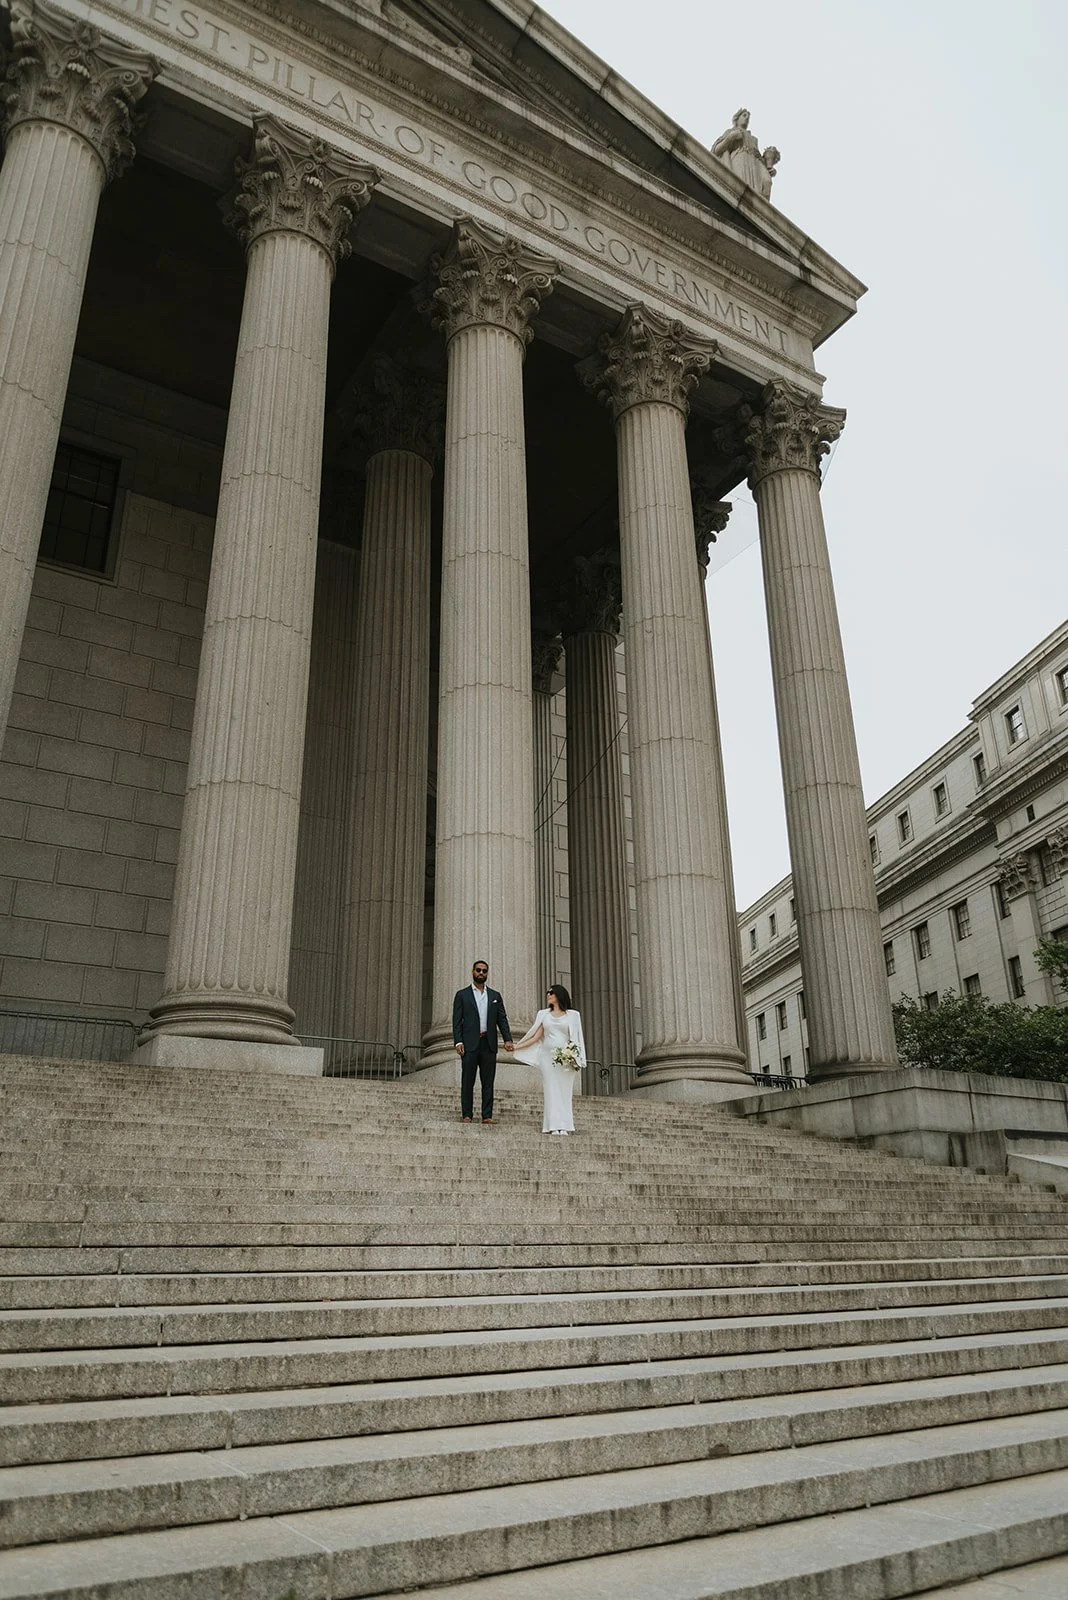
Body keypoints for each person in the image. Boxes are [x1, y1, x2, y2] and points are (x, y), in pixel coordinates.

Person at [511, 984, 586, 1134]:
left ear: (559, 995)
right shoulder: (544, 1015)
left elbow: (577, 1038)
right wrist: (516, 1046)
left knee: (564, 1091)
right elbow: (535, 1037)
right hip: (548, 1058)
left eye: (551, 992)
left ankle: (564, 1125)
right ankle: (552, 1125)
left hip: (566, 1058)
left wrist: (574, 1055)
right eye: (547, 992)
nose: (548, 994)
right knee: (551, 1090)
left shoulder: (573, 1015)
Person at [452, 959, 513, 1124]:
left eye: (484, 971)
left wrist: (508, 1039)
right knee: (468, 1081)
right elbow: (457, 1021)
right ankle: (467, 1115)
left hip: (489, 1043)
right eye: (478, 970)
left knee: (488, 1081)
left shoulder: (495, 996)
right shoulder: (462, 995)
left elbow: (502, 1019)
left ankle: (487, 1115)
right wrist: (458, 1042)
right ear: (472, 972)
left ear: (487, 973)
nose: (481, 973)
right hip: (470, 1043)